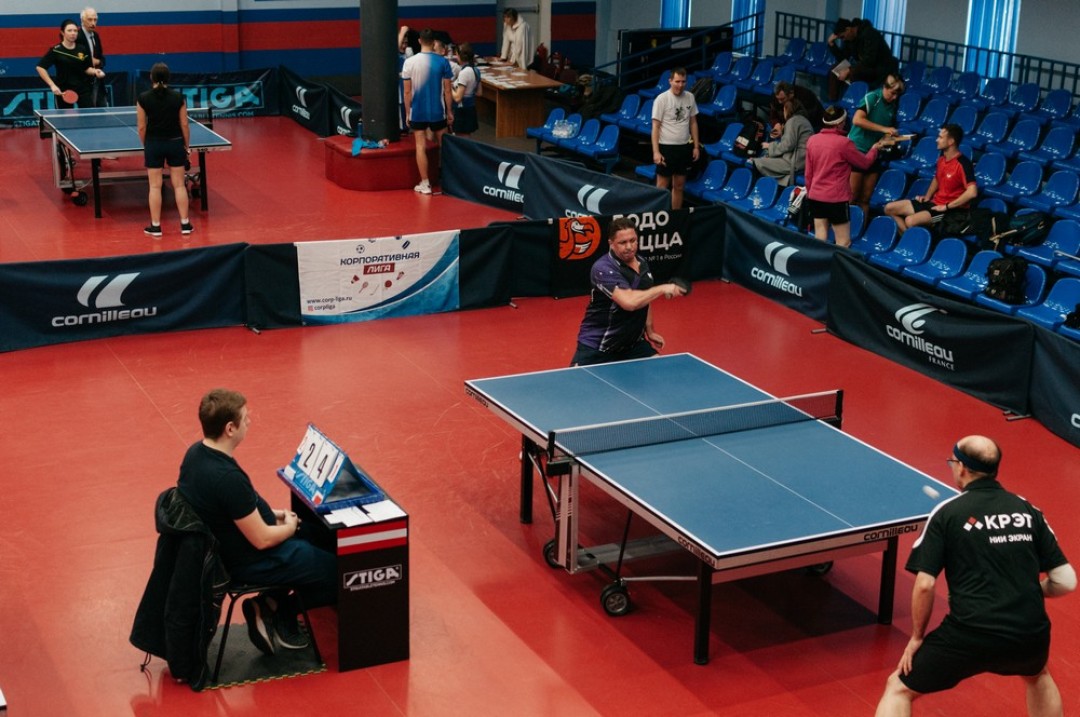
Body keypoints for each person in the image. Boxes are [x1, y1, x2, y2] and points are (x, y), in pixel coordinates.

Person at [874, 435, 1075, 717]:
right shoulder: (1027, 510)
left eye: (952, 462)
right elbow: (1066, 581)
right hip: (1028, 632)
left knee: (898, 688)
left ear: (962, 467)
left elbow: (925, 585)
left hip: (969, 634)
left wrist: (917, 637)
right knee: (1038, 675)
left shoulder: (948, 513)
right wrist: (1029, 590)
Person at [177, 389, 337, 656]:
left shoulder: (195, 455)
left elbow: (235, 509)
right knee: (342, 574)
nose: (249, 421)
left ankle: (267, 605)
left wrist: (276, 515)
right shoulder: (226, 478)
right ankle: (283, 611)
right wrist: (289, 528)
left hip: (231, 545)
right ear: (230, 428)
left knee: (314, 534)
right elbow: (262, 539)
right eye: (245, 417)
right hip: (248, 561)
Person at [571, 217, 687, 366]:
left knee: (661, 372)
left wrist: (650, 331)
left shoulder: (642, 263)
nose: (629, 247)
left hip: (632, 345)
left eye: (633, 241)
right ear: (611, 243)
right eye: (623, 242)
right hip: (598, 346)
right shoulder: (603, 268)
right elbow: (629, 302)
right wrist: (662, 288)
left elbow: (644, 298)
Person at [803, 106, 884, 247]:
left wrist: (811, 194)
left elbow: (808, 173)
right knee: (843, 241)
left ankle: (817, 260)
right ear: (840, 123)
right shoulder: (844, 143)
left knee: (820, 236)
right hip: (836, 199)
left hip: (816, 196)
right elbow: (864, 164)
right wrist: (874, 149)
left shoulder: (812, 140)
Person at [885, 124, 977, 235]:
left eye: (941, 137)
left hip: (949, 213)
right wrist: (927, 197)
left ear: (951, 141)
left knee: (910, 221)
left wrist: (947, 206)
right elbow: (937, 178)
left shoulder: (963, 164)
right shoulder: (942, 160)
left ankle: (915, 240)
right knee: (889, 208)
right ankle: (909, 239)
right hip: (934, 204)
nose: (937, 140)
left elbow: (972, 192)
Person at [136, 62, 192, 238]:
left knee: (154, 186)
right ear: (168, 78)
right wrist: (186, 145)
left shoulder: (143, 98)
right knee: (179, 185)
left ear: (151, 77)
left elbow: (141, 127)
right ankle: (185, 224)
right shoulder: (178, 97)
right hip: (175, 143)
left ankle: (155, 227)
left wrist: (147, 144)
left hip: (154, 143)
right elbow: (184, 124)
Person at [402, 28, 453, 195]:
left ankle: (425, 183)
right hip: (438, 112)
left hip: (418, 111)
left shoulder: (409, 62)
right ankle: (450, 182)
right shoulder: (443, 62)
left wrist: (408, 113)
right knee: (445, 146)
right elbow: (447, 90)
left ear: (419, 41)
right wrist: (450, 112)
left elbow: (407, 92)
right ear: (434, 42)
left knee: (420, 146)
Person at [848, 74, 905, 217]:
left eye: (897, 95)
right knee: (852, 197)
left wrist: (891, 138)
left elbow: (886, 131)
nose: (895, 97)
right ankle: (845, 228)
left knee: (865, 199)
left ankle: (861, 227)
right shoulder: (872, 97)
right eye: (892, 93)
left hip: (875, 151)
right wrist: (884, 129)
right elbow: (857, 120)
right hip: (858, 149)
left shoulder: (893, 106)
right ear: (885, 87)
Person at [650, 67, 700, 210]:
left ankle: (675, 216)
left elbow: (693, 122)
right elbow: (655, 127)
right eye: (677, 81)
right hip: (666, 147)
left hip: (684, 147)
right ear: (670, 81)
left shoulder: (690, 97)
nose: (680, 85)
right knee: (661, 187)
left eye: (683, 82)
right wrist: (656, 152)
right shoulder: (662, 99)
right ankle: (657, 216)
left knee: (679, 186)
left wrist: (696, 146)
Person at [36, 18, 103, 109]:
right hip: (64, 91)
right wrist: (52, 85)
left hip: (83, 89)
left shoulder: (82, 49)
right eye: (69, 30)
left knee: (89, 114)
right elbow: (40, 67)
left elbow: (86, 68)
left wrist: (95, 71)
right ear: (62, 33)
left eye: (75, 31)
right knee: (65, 117)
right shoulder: (56, 50)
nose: (73, 33)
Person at [827, 18, 899, 101]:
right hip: (867, 66)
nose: (843, 39)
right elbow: (843, 58)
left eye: (843, 37)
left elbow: (870, 60)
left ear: (848, 29)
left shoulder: (870, 34)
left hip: (880, 68)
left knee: (854, 73)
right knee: (834, 70)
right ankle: (833, 103)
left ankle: (855, 103)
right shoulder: (850, 39)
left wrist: (849, 70)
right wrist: (832, 44)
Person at [751, 98, 813, 187]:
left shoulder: (792, 121)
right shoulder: (803, 120)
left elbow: (787, 145)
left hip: (794, 161)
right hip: (803, 161)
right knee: (767, 158)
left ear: (787, 110)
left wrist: (769, 146)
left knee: (757, 163)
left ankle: (765, 191)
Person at [75, 7, 106, 107]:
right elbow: (78, 62)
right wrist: (90, 62)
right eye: (90, 19)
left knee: (102, 110)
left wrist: (98, 62)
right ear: (82, 20)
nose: (93, 23)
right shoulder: (77, 37)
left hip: (98, 82)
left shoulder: (96, 36)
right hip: (83, 84)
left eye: (95, 20)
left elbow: (102, 59)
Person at [451, 42, 481, 137]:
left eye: (456, 55)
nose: (456, 57)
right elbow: (479, 92)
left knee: (461, 137)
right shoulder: (476, 70)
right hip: (471, 107)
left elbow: (457, 98)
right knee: (467, 135)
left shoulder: (464, 73)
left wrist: (449, 87)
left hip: (462, 110)